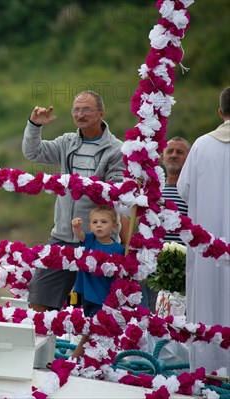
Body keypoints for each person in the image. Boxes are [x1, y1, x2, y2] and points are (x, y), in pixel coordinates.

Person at [22, 91, 127, 312]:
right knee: (39, 299)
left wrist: (83, 186)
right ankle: (47, 345)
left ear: (101, 113)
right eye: (76, 110)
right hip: (61, 237)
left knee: (95, 311)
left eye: (87, 109)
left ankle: (86, 347)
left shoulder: (116, 149)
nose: (81, 114)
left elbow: (116, 191)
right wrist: (34, 125)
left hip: (99, 241)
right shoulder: (66, 142)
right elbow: (33, 153)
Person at [177, 86, 230, 373]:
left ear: (220, 113)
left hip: (207, 243)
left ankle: (206, 372)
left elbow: (184, 190)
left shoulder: (200, 145)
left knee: (206, 309)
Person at [69, 205, 125, 358]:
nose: (98, 225)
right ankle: (91, 357)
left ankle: (75, 359)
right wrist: (75, 227)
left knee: (92, 329)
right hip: (87, 294)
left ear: (114, 226)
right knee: (90, 326)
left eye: (103, 222)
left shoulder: (118, 249)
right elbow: (79, 235)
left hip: (104, 297)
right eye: (94, 222)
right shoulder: (90, 240)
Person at [143, 137, 192, 312]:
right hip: (155, 270)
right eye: (169, 151)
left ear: (190, 158)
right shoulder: (151, 191)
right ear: (162, 158)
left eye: (180, 152)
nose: (174, 155)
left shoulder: (194, 190)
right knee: (155, 321)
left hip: (187, 270)